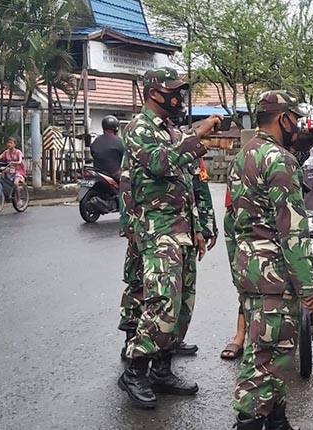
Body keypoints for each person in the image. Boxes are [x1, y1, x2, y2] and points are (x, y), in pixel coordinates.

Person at [117, 67, 221, 409]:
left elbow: (188, 183)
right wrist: (200, 133)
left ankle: (162, 369)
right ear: (153, 93)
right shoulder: (138, 128)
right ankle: (135, 370)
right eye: (172, 90)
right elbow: (163, 164)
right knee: (162, 301)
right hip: (157, 230)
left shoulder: (171, 129)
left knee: (182, 305)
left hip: (181, 231)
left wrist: (198, 228)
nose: (178, 96)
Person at [220, 119, 313, 361]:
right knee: (258, 286)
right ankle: (239, 336)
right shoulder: (274, 158)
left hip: (311, 227)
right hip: (274, 233)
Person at [225, 90, 313, 430]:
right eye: (295, 118)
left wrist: (237, 266)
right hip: (274, 273)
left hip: (250, 267)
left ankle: (276, 419)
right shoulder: (280, 160)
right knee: (268, 355)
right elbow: (292, 230)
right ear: (283, 118)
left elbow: (231, 220)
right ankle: (249, 420)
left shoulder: (245, 154)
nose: (298, 125)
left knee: (272, 345)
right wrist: (308, 285)